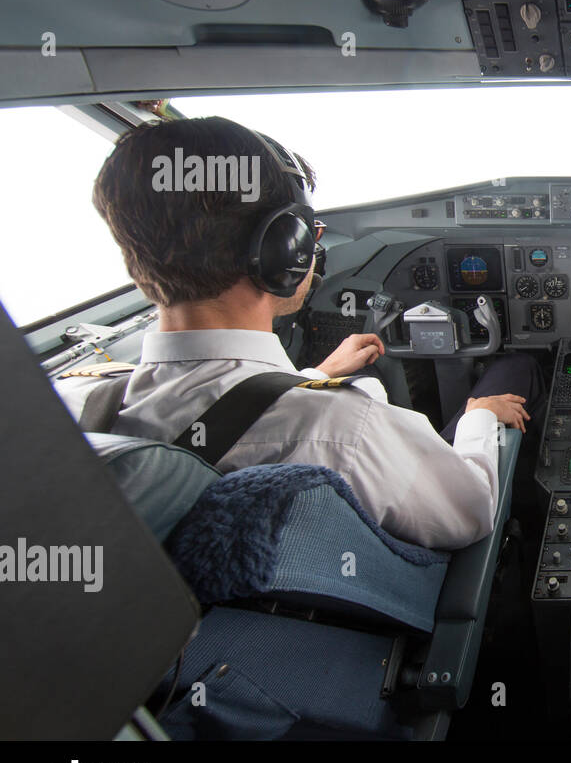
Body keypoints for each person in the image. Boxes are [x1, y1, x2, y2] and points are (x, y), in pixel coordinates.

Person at [55, 116, 544, 550]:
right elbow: (473, 510)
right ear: (284, 250)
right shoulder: (341, 431)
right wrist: (479, 419)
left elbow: (211, 418)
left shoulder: (75, 407)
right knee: (513, 366)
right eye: (309, 231)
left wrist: (311, 377)